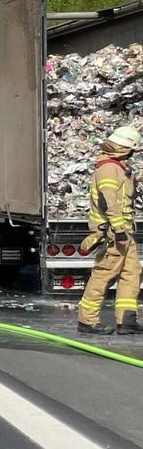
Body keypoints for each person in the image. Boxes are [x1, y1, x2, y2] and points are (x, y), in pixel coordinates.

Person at [76, 125, 142, 335]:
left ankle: (127, 320)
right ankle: (87, 320)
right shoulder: (108, 168)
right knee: (104, 274)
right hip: (114, 233)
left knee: (131, 274)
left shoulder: (119, 168)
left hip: (124, 231)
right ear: (125, 148)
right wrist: (119, 230)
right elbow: (108, 201)